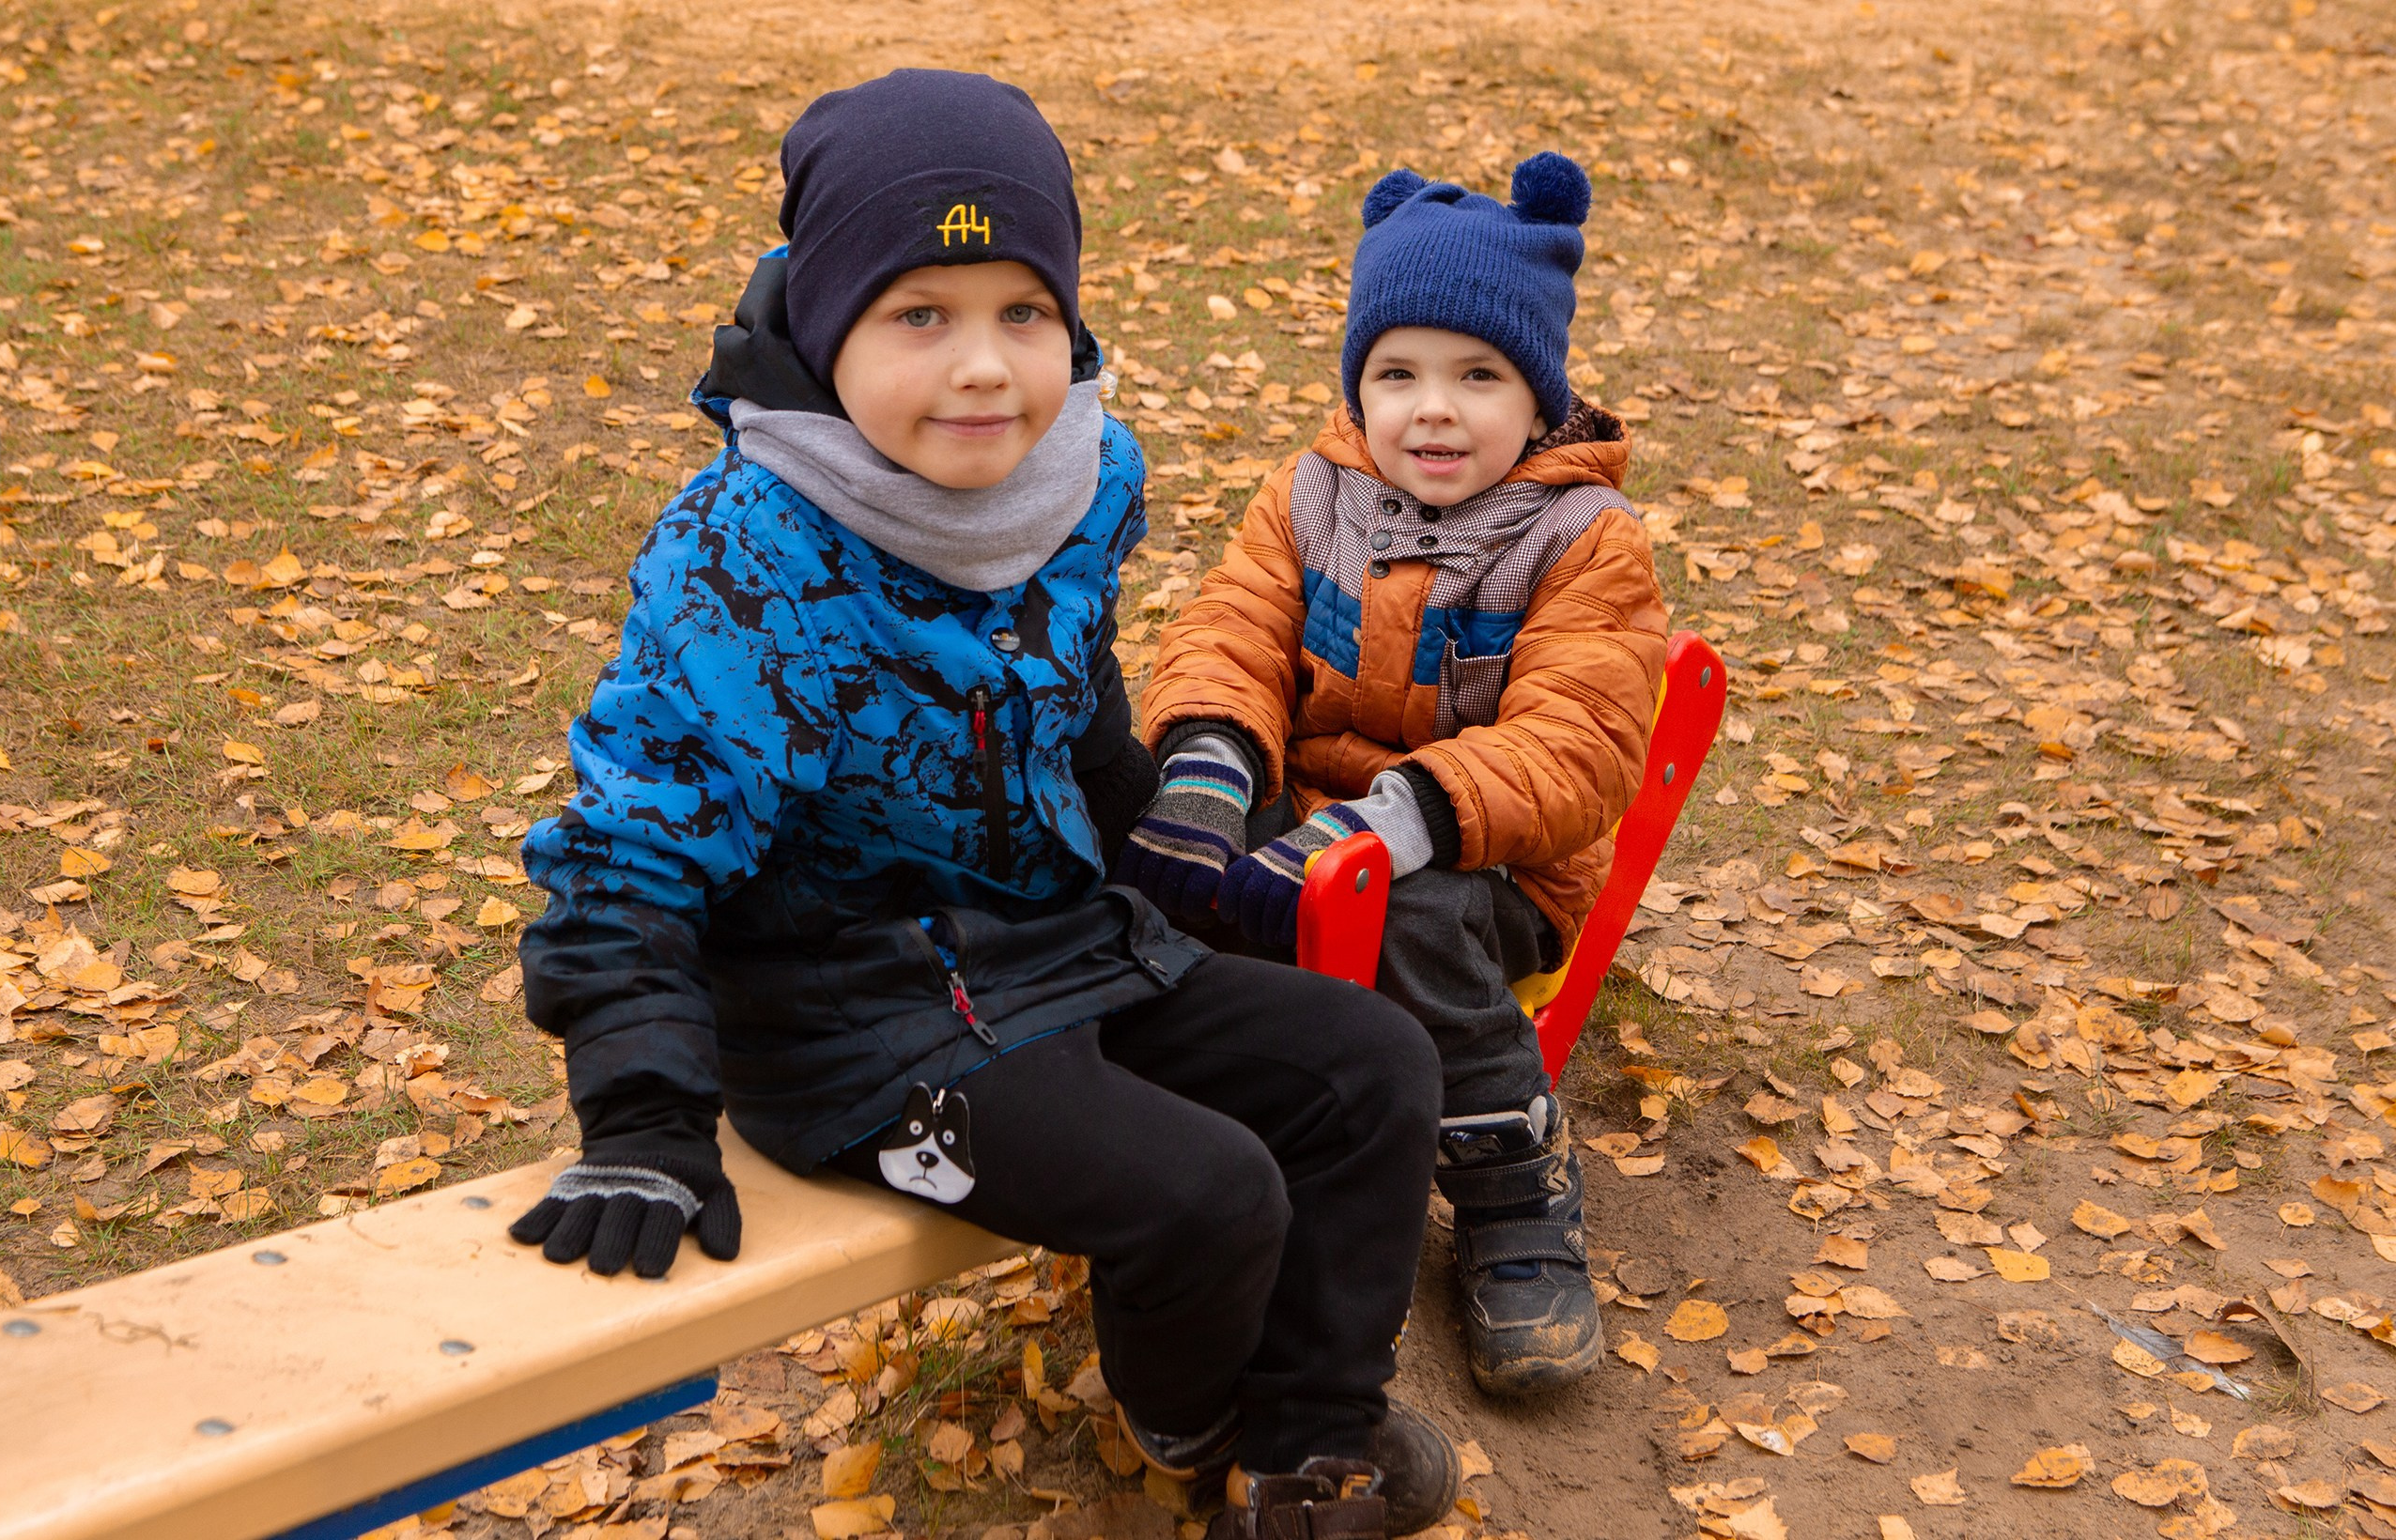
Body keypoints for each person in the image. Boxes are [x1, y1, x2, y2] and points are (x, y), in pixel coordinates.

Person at [506, 70, 1457, 1540]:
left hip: (1054, 947)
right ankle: (1194, 1420)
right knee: (1209, 1192)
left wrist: (1192, 859)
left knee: (1372, 1065)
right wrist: (641, 1116)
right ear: (828, 327)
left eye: (1023, 311)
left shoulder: (1074, 479)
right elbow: (631, 850)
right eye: (918, 316)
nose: (983, 369)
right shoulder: (752, 555)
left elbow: (1073, 706)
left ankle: (1306, 1453)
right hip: (849, 1019)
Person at [1122, 152, 1670, 1395]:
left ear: (1539, 396)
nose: (1434, 411)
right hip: (1315, 822)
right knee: (1157, 839)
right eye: (1398, 374)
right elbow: (1232, 629)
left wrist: (1400, 820)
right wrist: (1208, 761)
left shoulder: (1583, 543)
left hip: (1491, 861)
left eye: (1479, 377)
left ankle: (1511, 1186)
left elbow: (1576, 743)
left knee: (1413, 921)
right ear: (1358, 385)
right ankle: (1203, 1100)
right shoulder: (1312, 494)